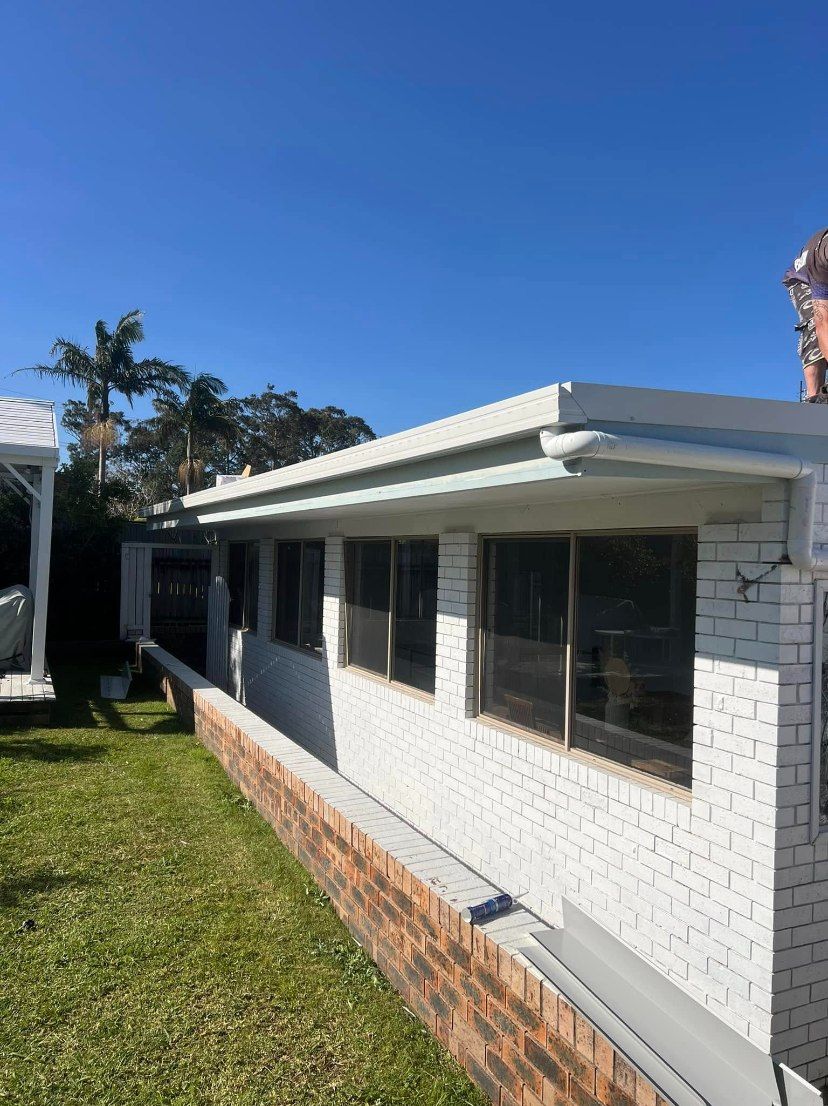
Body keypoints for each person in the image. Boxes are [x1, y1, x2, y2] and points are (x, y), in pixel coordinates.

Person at [783, 229, 828, 402]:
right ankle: (814, 397)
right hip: (804, 279)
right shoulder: (822, 258)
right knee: (814, 322)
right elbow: (823, 323)